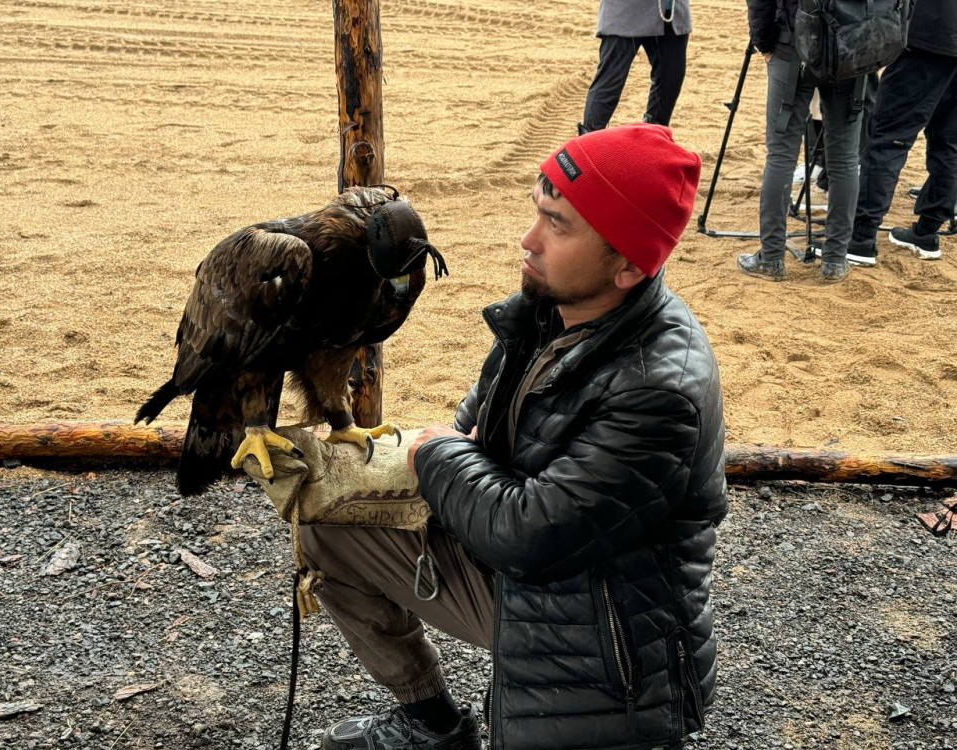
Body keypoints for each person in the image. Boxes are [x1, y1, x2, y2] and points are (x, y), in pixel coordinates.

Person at [299, 124, 727, 750]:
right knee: (328, 523)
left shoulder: (658, 391)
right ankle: (432, 722)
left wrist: (432, 454)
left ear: (630, 264)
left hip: (602, 637)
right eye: (536, 212)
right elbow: (475, 427)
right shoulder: (542, 312)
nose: (527, 241)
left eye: (557, 225)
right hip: (517, 571)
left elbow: (529, 533)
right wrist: (413, 461)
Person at [739, 0, 865, 283]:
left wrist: (764, 44)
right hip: (850, 45)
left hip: (792, 45)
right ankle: (834, 259)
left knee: (781, 155)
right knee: (845, 158)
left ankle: (771, 258)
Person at [847, 0, 957, 265]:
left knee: (888, 139)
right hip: (935, 36)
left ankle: (861, 239)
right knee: (949, 143)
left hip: (929, 39)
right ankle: (927, 232)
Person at [579, 0, 692, 133]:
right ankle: (588, 143)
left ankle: (653, 139)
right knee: (610, 82)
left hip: (670, 14)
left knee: (670, 79)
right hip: (624, 11)